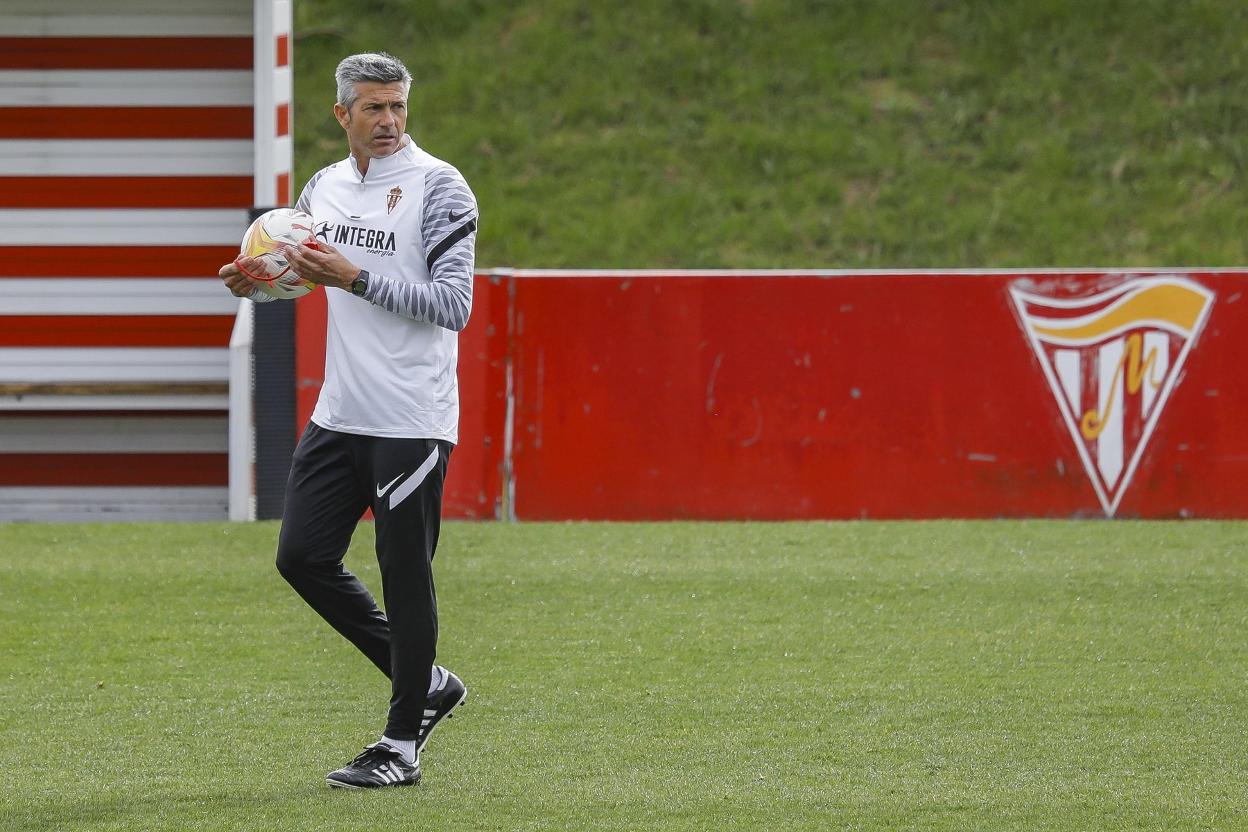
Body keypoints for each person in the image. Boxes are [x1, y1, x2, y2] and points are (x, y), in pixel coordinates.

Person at [219, 51, 477, 790]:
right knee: (301, 557)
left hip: (411, 418)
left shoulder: (439, 187)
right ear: (343, 115)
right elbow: (301, 280)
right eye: (374, 108)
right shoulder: (322, 187)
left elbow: (454, 305)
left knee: (405, 576)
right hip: (341, 413)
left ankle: (401, 745)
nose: (390, 122)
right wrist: (256, 284)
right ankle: (428, 683)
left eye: (398, 106)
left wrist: (355, 277)